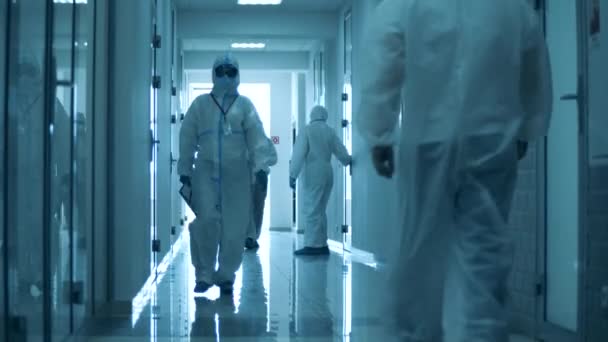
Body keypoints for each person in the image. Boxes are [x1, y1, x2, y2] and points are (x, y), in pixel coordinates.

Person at [355, 1, 553, 341]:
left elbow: (384, 56)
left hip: (428, 139)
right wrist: (526, 127)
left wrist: (379, 133)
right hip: (490, 137)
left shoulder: (405, 4)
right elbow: (533, 59)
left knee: (418, 253)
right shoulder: (513, 6)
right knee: (484, 259)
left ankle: (417, 334)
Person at [178, 54, 275, 295]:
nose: (225, 76)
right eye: (220, 71)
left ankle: (226, 274)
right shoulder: (200, 104)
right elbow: (187, 138)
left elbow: (257, 139)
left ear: (238, 75)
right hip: (205, 171)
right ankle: (203, 273)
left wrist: (261, 168)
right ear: (213, 73)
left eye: (230, 71)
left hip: (237, 174)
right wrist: (185, 169)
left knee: (235, 226)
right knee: (206, 220)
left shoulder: (245, 106)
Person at [289, 105, 352, 256]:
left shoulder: (307, 130)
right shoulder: (330, 131)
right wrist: (348, 161)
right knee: (321, 209)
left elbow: (298, 154)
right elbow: (341, 152)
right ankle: (322, 244)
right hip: (327, 172)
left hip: (313, 172)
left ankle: (312, 246)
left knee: (312, 208)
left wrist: (292, 175)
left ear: (312, 115)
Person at [245, 136, 277, 250]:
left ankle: (251, 237)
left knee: (257, 207)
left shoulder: (266, 141)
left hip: (259, 176)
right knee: (250, 207)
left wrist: (262, 162)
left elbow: (274, 158)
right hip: (248, 176)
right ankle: (249, 236)